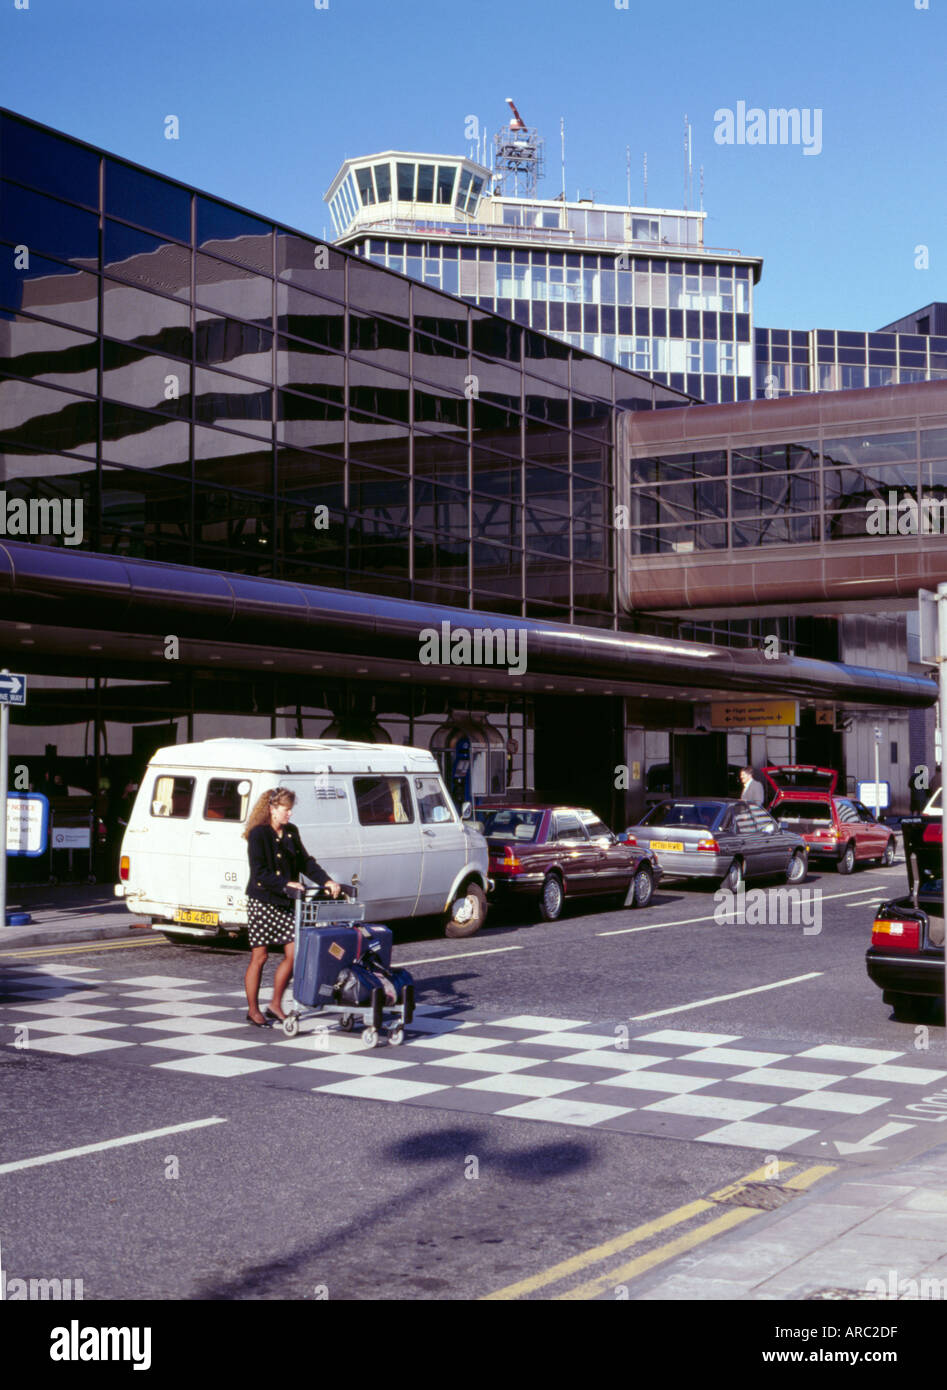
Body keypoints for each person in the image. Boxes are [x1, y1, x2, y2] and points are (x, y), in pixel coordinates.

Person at [243, 788, 341, 1027]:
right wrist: (285, 883)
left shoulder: (291, 832)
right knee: (260, 956)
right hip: (262, 901)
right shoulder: (258, 835)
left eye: (290, 809)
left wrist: (326, 880)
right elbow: (260, 873)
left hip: (286, 901)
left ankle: (275, 1003)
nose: (290, 813)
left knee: (294, 954)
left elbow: (305, 862)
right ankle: (253, 1009)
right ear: (272, 809)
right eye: (286, 809)